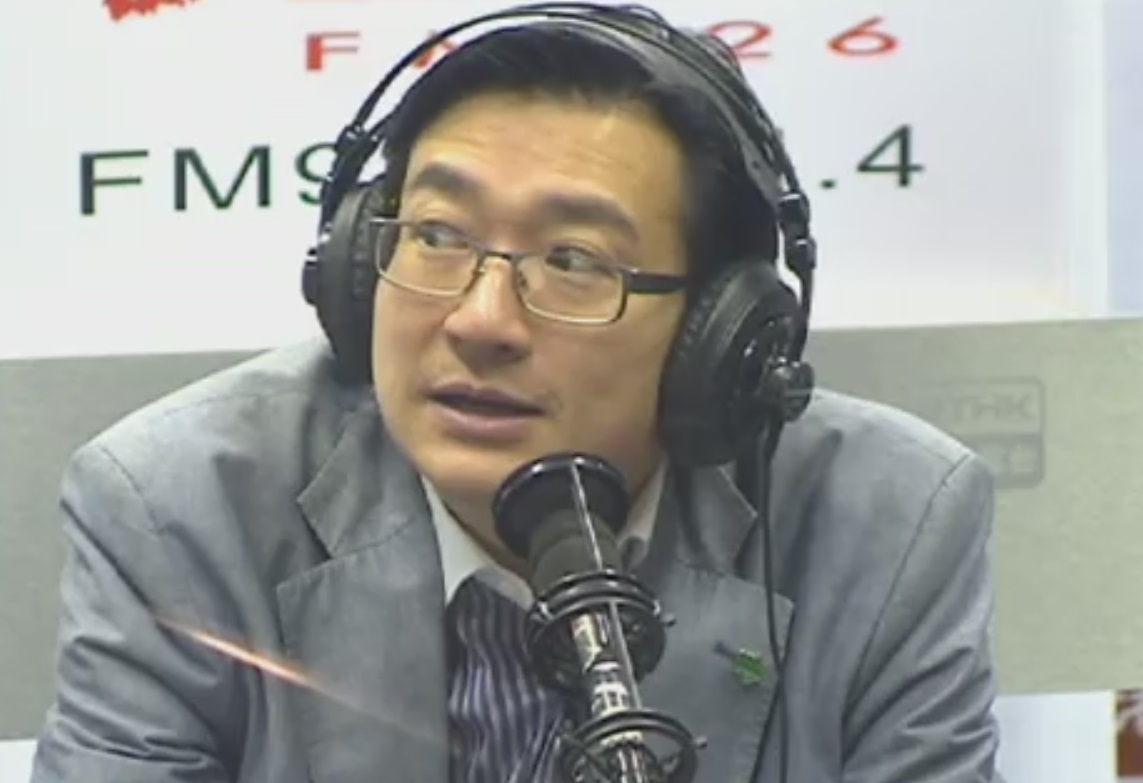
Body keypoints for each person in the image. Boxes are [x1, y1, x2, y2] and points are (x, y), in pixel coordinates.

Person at [30, 4, 1004, 782]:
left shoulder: (886, 522)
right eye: (438, 237)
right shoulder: (180, 508)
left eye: (574, 260)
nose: (480, 320)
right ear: (359, 265)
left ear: (719, 331)